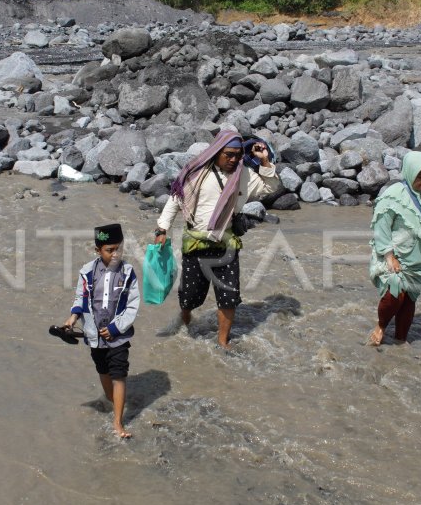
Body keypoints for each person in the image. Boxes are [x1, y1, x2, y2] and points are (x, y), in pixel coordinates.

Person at [154, 129, 279, 348]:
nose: (233, 160)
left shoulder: (245, 176)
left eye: (237, 155)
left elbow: (270, 186)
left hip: (227, 245)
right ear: (217, 152)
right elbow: (175, 200)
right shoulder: (196, 174)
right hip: (195, 244)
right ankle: (185, 316)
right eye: (228, 154)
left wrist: (265, 160)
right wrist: (162, 229)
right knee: (191, 295)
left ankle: (223, 341)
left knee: (229, 296)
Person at [368, 151, 421, 346]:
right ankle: (381, 326)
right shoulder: (393, 195)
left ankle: (400, 344)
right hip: (394, 256)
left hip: (418, 260)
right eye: (419, 176)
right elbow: (381, 230)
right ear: (409, 173)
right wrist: (389, 257)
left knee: (409, 301)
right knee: (395, 294)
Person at [64, 223, 139, 438]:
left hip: (119, 337)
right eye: (110, 250)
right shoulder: (86, 272)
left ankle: (118, 423)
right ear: (98, 250)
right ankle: (110, 400)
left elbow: (133, 305)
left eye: (119, 248)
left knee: (119, 374)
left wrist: (116, 328)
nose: (116, 254)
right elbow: (81, 297)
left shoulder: (127, 273)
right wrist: (72, 318)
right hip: (93, 335)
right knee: (103, 370)